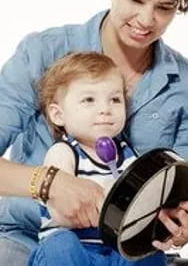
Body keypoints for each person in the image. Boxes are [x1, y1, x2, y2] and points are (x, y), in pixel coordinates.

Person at [0, 0, 188, 266]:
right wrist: (48, 182)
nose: (146, 20)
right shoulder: (42, 53)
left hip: (131, 249)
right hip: (31, 239)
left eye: (164, 7)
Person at [27, 51, 166, 265]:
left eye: (115, 99)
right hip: (76, 249)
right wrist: (107, 202)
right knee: (61, 245)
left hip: (114, 251)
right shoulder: (63, 153)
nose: (105, 109)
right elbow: (61, 212)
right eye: (89, 99)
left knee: (148, 251)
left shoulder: (128, 154)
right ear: (58, 115)